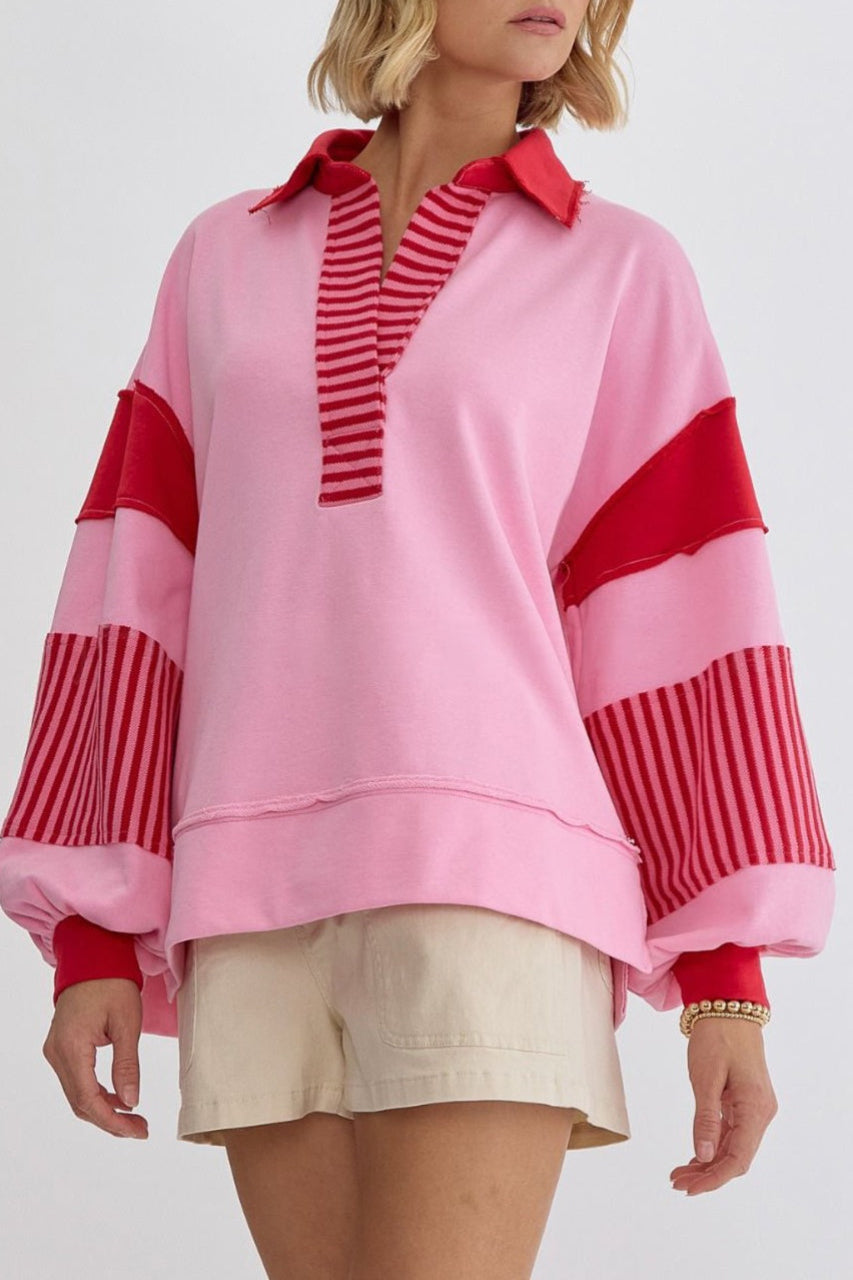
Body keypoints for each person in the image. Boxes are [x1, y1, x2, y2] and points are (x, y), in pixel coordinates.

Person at [0, 2, 836, 1277]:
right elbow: (135, 583)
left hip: (494, 876)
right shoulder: (222, 256)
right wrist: (93, 932)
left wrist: (725, 973)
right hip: (247, 884)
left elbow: (682, 610)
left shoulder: (619, 267)